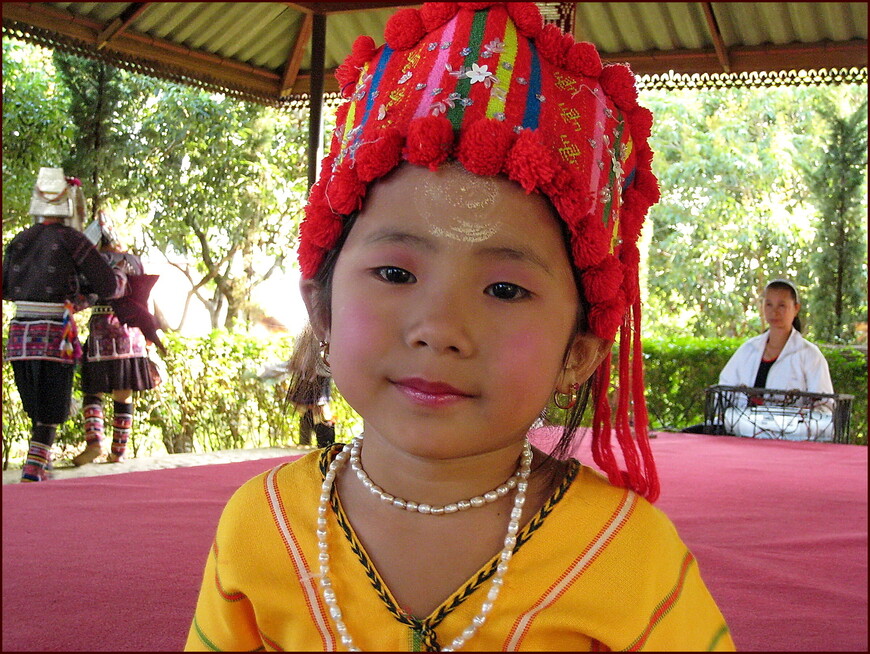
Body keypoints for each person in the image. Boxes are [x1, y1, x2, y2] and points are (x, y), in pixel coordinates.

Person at [186, 4, 734, 650]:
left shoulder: (631, 557)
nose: (440, 328)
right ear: (321, 308)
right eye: (395, 273)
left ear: (578, 354)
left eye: (505, 289)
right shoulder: (259, 528)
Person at [3, 168, 127, 482]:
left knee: (35, 401)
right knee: (52, 400)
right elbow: (109, 284)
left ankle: (38, 463)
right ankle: (34, 466)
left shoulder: (19, 240)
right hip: (55, 333)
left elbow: (4, 287)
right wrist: (91, 292)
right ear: (69, 203)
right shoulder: (72, 239)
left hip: (19, 332)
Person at [72, 212, 161, 466]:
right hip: (132, 334)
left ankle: (95, 443)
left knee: (93, 390)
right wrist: (149, 331)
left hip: (102, 332)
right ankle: (118, 452)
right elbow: (144, 299)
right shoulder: (135, 260)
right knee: (124, 393)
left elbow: (87, 296)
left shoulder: (96, 260)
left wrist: (69, 307)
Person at [717, 279, 835, 439]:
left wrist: (793, 428)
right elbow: (724, 393)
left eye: (782, 305)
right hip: (743, 437)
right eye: (769, 304)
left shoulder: (810, 355)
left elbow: (824, 410)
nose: (774, 312)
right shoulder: (747, 350)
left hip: (792, 443)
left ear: (796, 308)